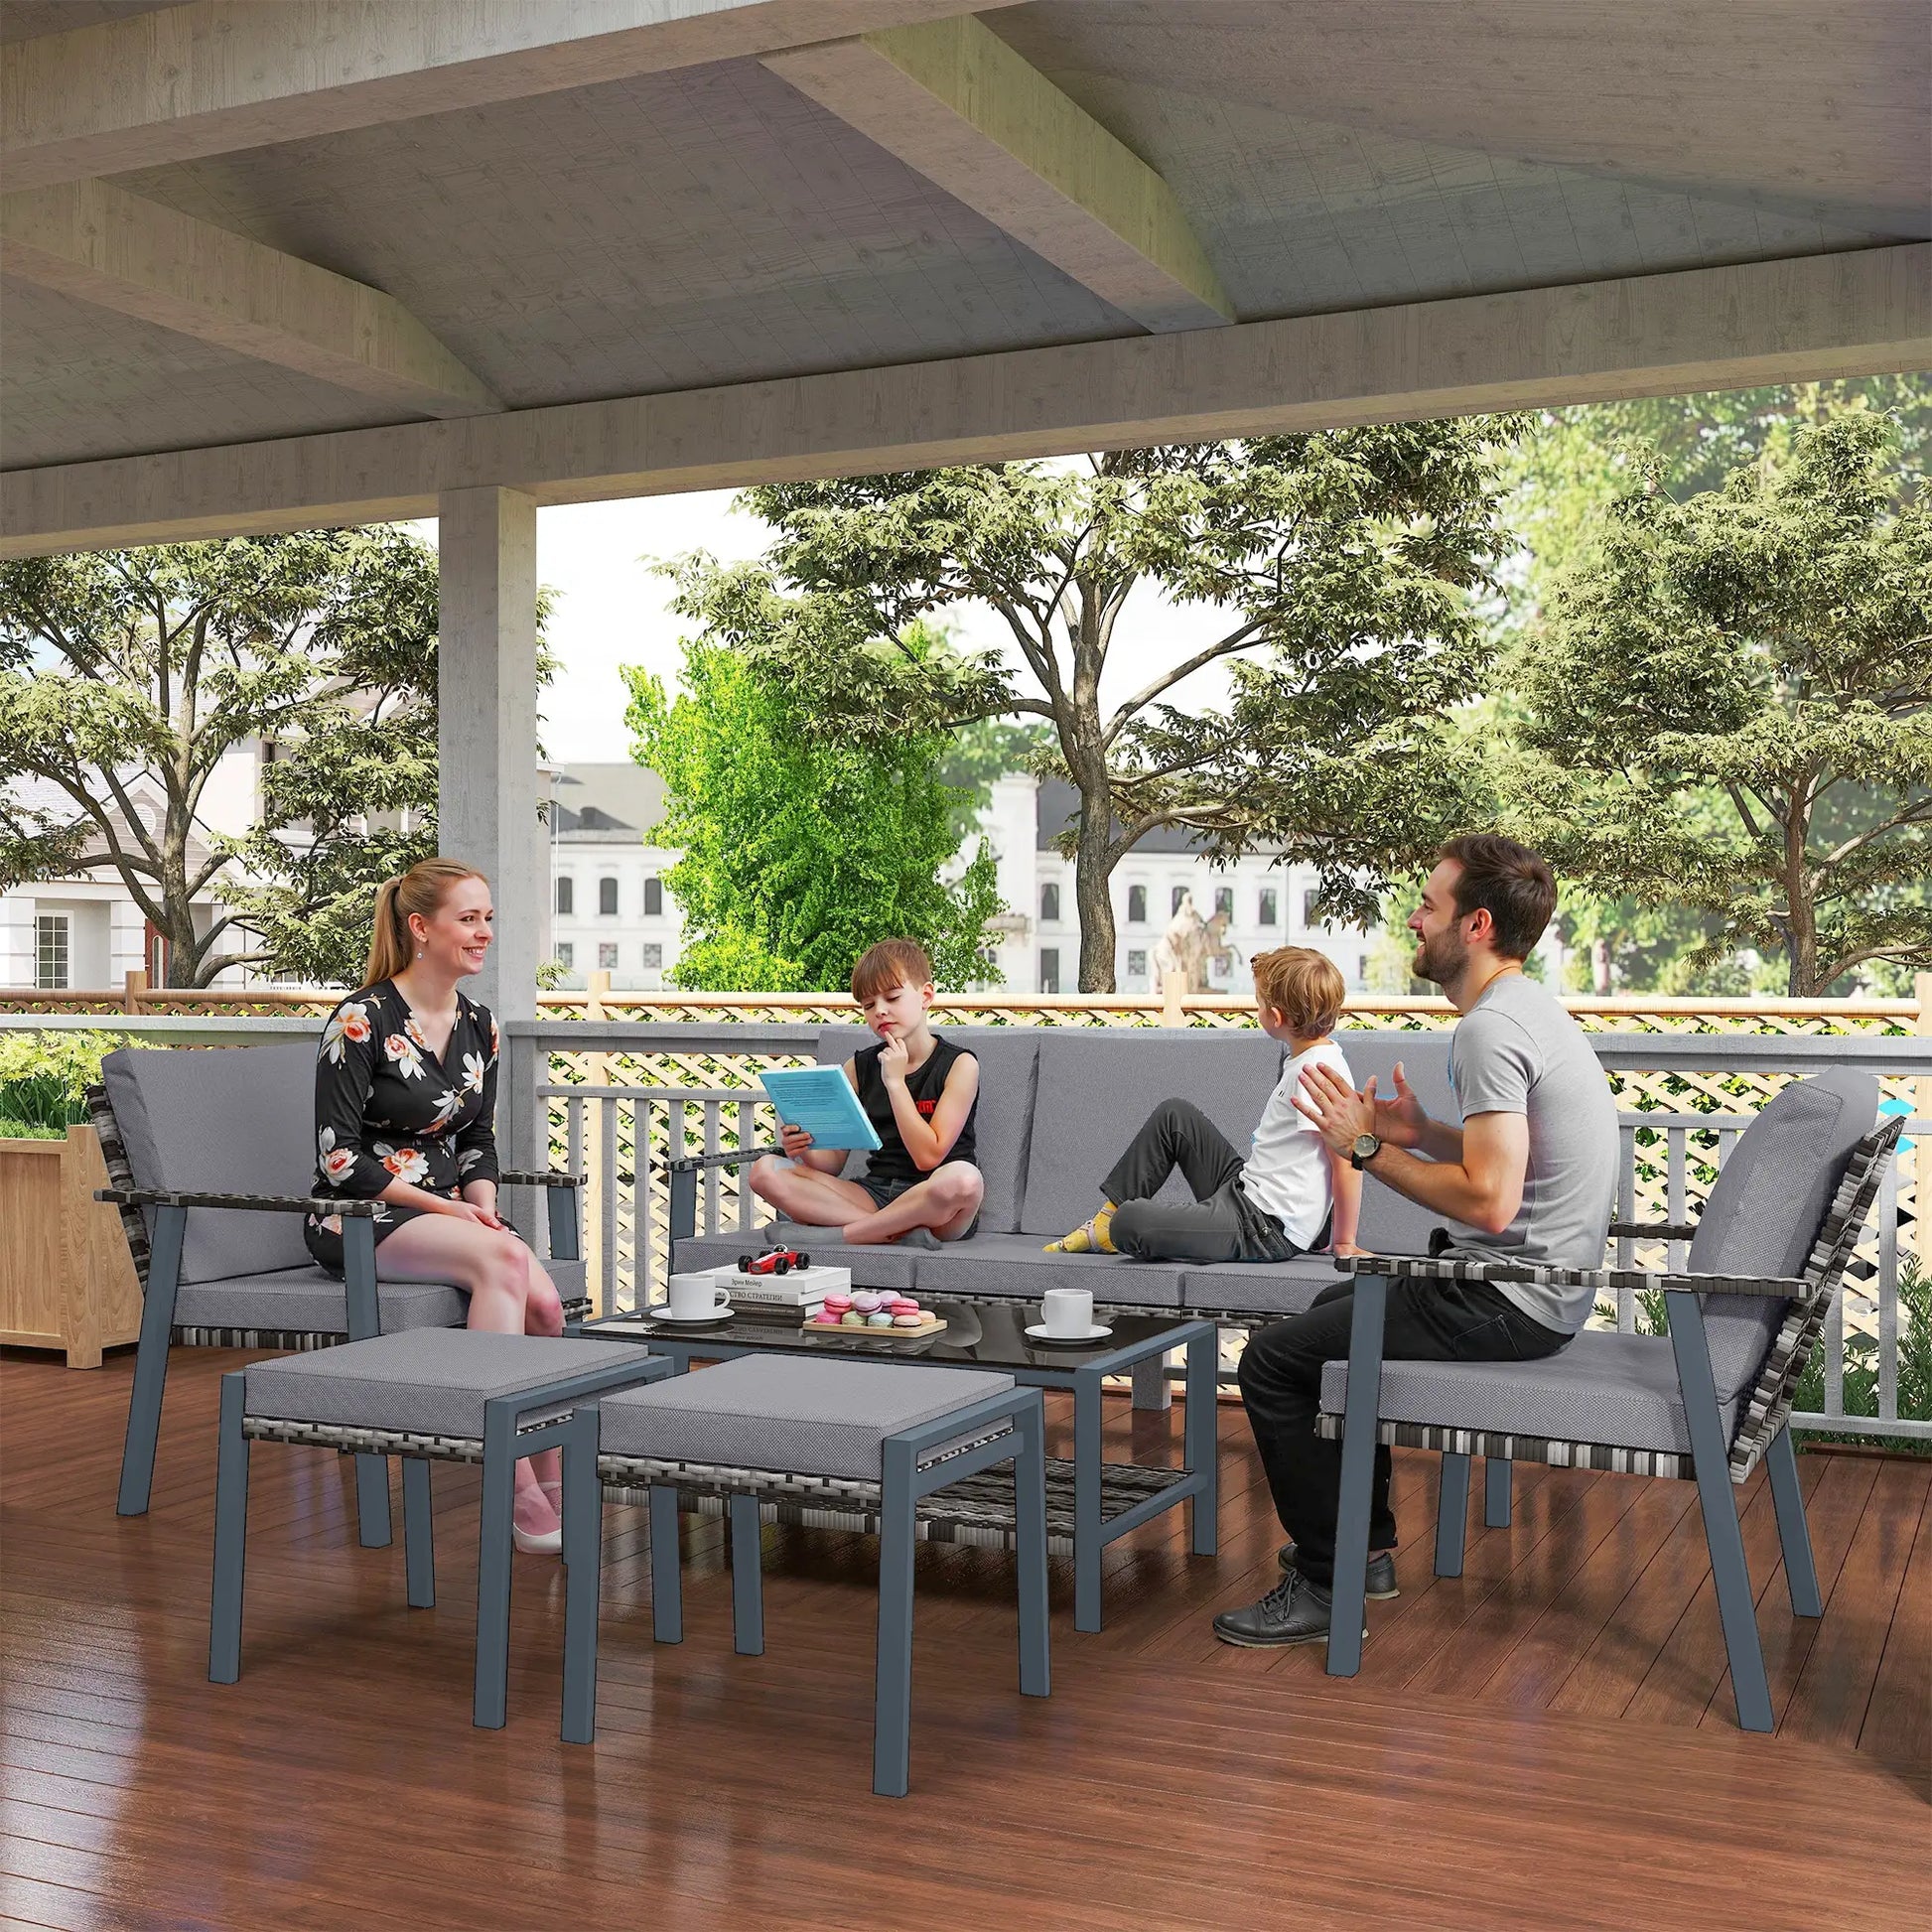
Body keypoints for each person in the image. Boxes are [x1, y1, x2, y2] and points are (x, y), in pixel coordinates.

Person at [1212, 834, 1618, 1647]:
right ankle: (1361, 1554)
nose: (1412, 916)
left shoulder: (1488, 1031)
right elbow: (1506, 1166)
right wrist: (1423, 1130)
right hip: (1542, 1289)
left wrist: (1365, 1148)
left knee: (1269, 1361)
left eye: (1428, 905)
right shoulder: (1524, 1008)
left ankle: (1329, 1582)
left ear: (1474, 925)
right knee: (1337, 1308)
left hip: (1513, 1299)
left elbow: (1493, 1204)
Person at [306, 857, 570, 1555]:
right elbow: (338, 1157)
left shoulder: (479, 1022)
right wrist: (449, 1210)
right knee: (505, 1266)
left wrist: (476, 1201)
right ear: (421, 927)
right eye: (469, 919)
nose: (484, 933)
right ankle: (511, 1478)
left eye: (489, 919)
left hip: (451, 1212)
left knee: (548, 1307)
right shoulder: (360, 1019)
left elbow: (477, 1136)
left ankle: (554, 1467)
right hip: (361, 1215)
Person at [1045, 947, 1364, 1266]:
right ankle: (1105, 1220)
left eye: (1259, 1004)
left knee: (1130, 1222)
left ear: (1277, 1016)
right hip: (1247, 1193)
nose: (1258, 1010)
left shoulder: (1317, 1073)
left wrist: (1344, 1241)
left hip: (1262, 1228)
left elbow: (1346, 1158)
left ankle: (1113, 1225)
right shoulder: (1310, 1058)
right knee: (1175, 1116)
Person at [747, 938, 983, 1248]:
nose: (880, 1011)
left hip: (936, 1198)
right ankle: (897, 1232)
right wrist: (803, 1145)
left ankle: (844, 1235)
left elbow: (928, 1158)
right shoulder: (858, 1067)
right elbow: (832, 1165)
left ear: (925, 995)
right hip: (874, 1194)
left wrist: (896, 1084)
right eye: (869, 1005)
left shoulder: (960, 1064)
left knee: (964, 1180)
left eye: (892, 998)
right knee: (765, 1171)